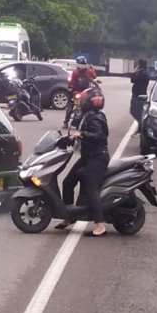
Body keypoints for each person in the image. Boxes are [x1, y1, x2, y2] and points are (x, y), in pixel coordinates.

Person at [55, 87, 109, 237]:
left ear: (88, 102)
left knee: (92, 189)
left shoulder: (96, 118)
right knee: (67, 182)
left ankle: (100, 225)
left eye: (83, 101)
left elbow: (99, 135)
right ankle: (69, 216)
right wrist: (66, 139)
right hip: (87, 156)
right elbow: (81, 134)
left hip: (98, 158)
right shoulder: (88, 116)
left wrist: (82, 134)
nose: (80, 103)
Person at [63, 56, 97, 129]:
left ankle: (66, 122)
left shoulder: (75, 71)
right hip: (86, 92)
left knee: (70, 105)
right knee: (89, 106)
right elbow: (94, 76)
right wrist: (92, 69)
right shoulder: (88, 70)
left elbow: (72, 81)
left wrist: (71, 86)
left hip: (76, 91)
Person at [130, 59, 149, 137]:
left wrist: (135, 72)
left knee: (136, 112)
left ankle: (141, 129)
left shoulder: (142, 73)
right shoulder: (144, 72)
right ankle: (140, 129)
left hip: (139, 95)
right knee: (138, 112)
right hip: (139, 94)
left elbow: (132, 80)